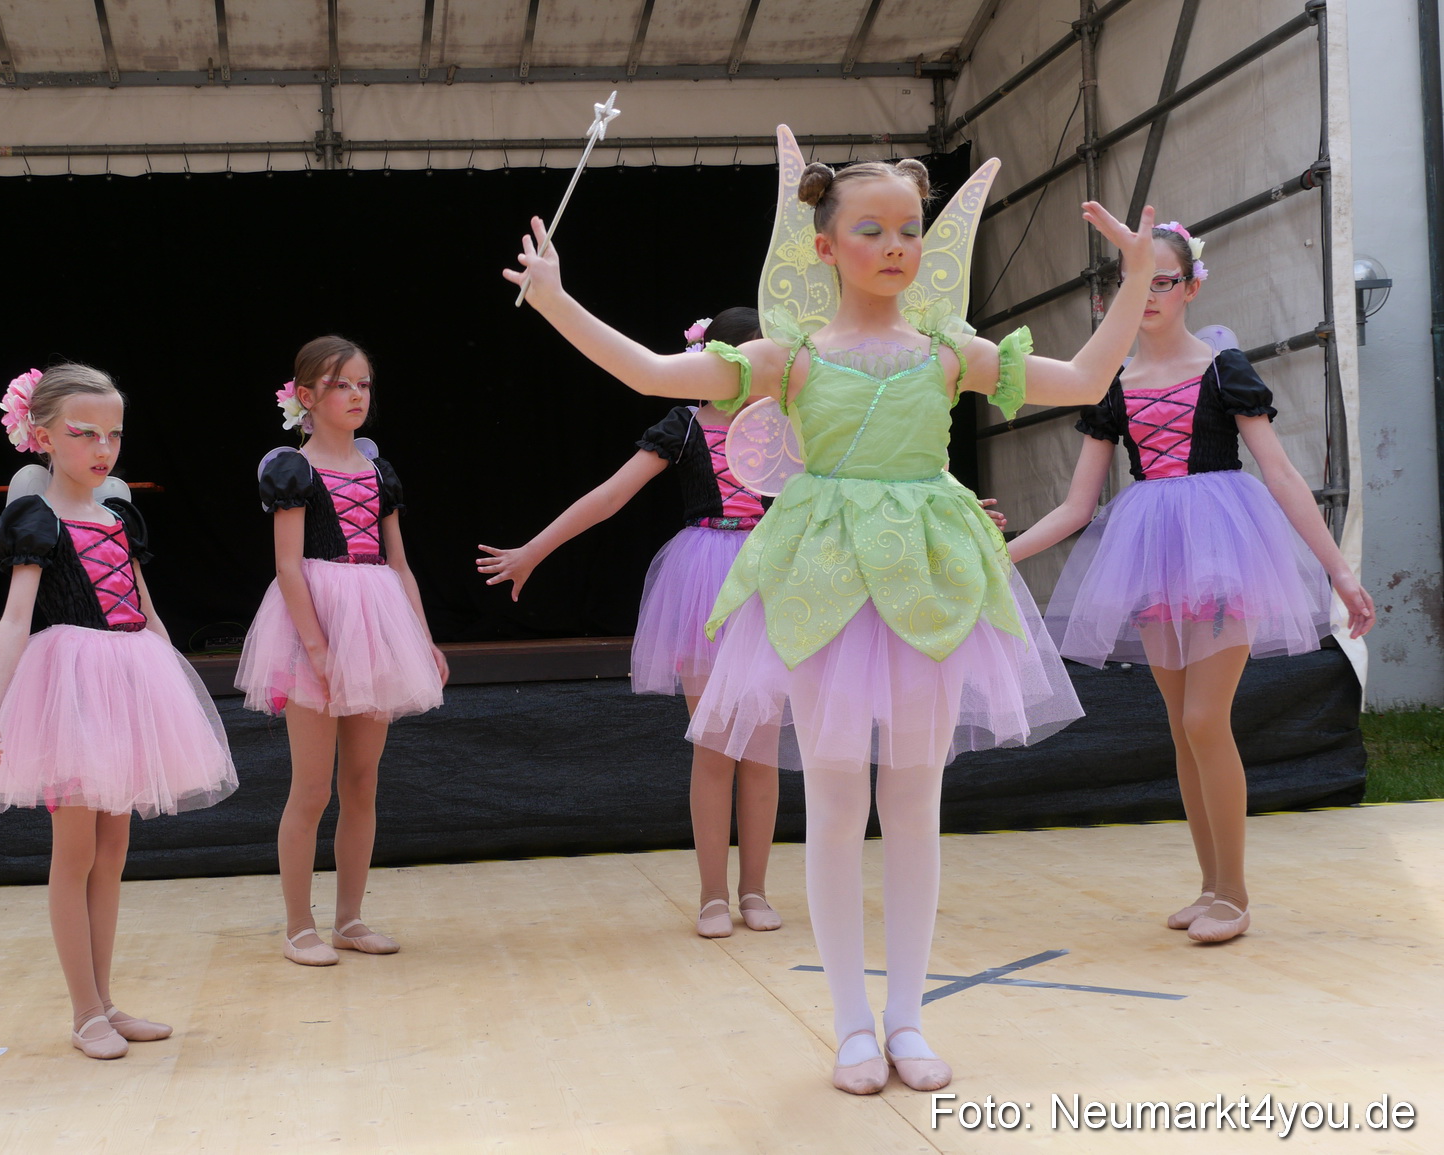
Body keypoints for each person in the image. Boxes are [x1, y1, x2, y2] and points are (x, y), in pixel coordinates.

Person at [503, 129, 1156, 1094]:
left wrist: (1137, 278)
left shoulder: (948, 352)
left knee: (917, 806)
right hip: (821, 587)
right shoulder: (791, 357)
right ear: (824, 245)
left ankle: (906, 1018)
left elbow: (1087, 383)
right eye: (872, 228)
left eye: (909, 229)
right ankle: (853, 1021)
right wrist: (556, 299)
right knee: (841, 803)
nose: (896, 245)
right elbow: (651, 372)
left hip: (931, 585)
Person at [1008, 221, 1376, 945]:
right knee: (1182, 728)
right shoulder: (1112, 386)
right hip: (1149, 556)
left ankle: (1235, 894)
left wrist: (1340, 569)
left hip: (1222, 550)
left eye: (1162, 280)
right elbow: (1078, 505)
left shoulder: (1223, 369)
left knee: (1207, 719)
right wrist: (1004, 555)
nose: (1145, 294)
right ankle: (1209, 885)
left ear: (1192, 286)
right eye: (1132, 281)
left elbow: (1281, 473)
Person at [477, 307, 785, 938]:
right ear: (719, 361)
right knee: (715, 744)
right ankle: (711, 895)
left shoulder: (789, 426)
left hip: (773, 579)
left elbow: (857, 483)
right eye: (749, 357)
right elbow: (612, 495)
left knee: (762, 748)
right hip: (704, 582)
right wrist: (534, 550)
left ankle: (755, 890)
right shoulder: (686, 423)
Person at [0, 364, 238, 1059]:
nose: (102, 447)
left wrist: (172, 685)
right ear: (42, 435)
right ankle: (83, 1008)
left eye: (113, 433)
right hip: (69, 691)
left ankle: (106, 999)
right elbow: (15, 619)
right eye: (84, 432)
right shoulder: (35, 518)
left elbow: (146, 613)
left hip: (127, 684)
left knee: (113, 852)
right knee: (76, 850)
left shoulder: (120, 516)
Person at [236, 336, 447, 967]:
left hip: (375, 622)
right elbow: (288, 565)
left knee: (361, 782)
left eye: (363, 384)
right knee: (311, 788)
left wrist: (422, 635)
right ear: (306, 396)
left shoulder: (380, 471)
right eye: (340, 385)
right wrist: (318, 647)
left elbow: (399, 564)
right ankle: (299, 926)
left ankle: (350, 918)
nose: (356, 395)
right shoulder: (292, 470)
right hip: (316, 625)